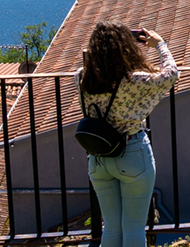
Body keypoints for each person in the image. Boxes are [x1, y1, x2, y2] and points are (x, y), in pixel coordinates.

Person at [75, 22, 178, 247]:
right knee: (133, 228)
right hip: (132, 153)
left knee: (111, 228)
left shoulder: (82, 77)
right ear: (124, 47)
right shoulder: (132, 80)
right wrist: (160, 44)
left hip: (99, 158)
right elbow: (170, 75)